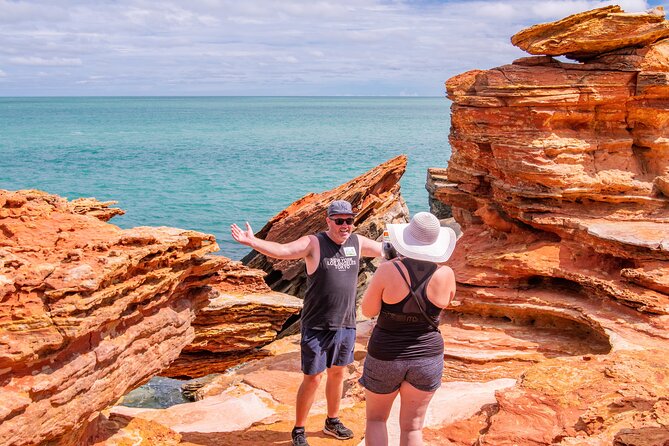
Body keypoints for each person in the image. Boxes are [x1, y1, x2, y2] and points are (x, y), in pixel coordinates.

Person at [231, 200, 382, 446]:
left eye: (349, 220)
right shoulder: (314, 243)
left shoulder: (358, 242)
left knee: (338, 373)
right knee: (312, 378)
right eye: (339, 221)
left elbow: (387, 249)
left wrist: (416, 242)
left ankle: (332, 420)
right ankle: (299, 428)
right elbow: (283, 251)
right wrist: (253, 242)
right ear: (328, 221)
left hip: (346, 323)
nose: (345, 226)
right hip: (317, 325)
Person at [359, 212, 457, 446]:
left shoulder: (388, 270)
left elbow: (368, 311)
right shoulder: (446, 274)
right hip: (427, 356)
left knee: (376, 421)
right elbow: (444, 304)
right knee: (413, 428)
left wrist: (387, 269)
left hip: (386, 354)